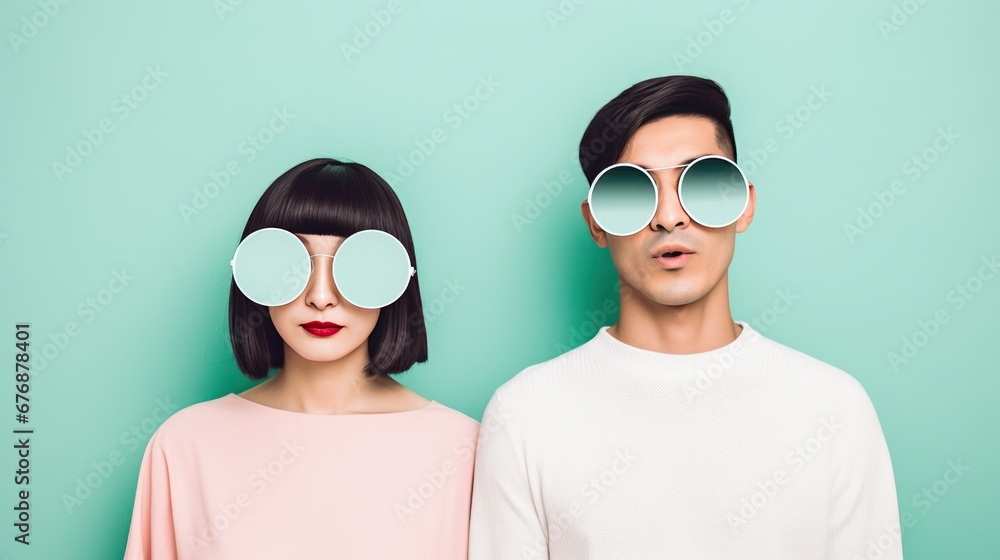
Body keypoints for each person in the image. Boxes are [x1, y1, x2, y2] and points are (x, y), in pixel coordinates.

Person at [468, 76, 903, 558]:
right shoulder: (525, 415)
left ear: (745, 205)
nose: (669, 216)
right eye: (631, 191)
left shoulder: (834, 408)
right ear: (596, 223)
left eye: (702, 183)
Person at [122, 158, 479, 560]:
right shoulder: (185, 445)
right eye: (292, 264)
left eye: (356, 264)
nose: (321, 296)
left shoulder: (464, 449)